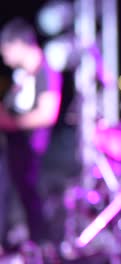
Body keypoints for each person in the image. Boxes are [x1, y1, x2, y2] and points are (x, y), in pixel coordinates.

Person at [0, 18, 62, 249]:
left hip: (31, 149)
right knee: (7, 193)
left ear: (18, 44)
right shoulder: (23, 75)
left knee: (29, 197)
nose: (5, 57)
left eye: (6, 50)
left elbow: (48, 114)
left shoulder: (45, 70)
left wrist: (11, 123)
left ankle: (42, 244)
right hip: (15, 147)